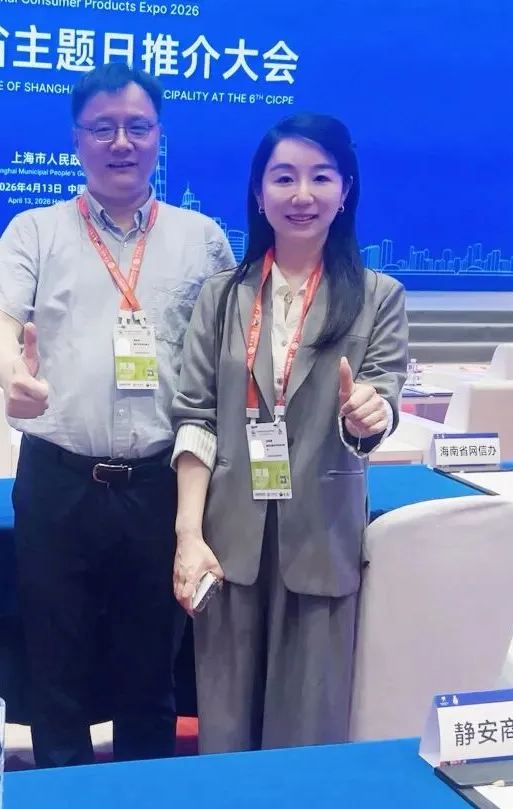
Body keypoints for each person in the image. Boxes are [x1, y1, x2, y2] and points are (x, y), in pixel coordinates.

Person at [0, 62, 236, 768]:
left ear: (159, 136)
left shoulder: (202, 238)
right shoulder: (35, 230)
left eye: (137, 127)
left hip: (158, 484)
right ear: (77, 139)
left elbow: (226, 356)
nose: (122, 142)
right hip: (58, 480)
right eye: (103, 128)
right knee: (54, 667)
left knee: (150, 673)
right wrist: (10, 370)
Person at [170, 113, 409, 754]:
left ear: (346, 189)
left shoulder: (379, 297)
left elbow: (382, 396)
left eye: (320, 177)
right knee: (224, 727)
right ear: (259, 193)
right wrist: (188, 535)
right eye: (284, 178)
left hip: (322, 536)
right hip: (228, 541)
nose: (302, 194)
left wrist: (369, 415)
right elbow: (194, 417)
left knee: (309, 731)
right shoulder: (221, 298)